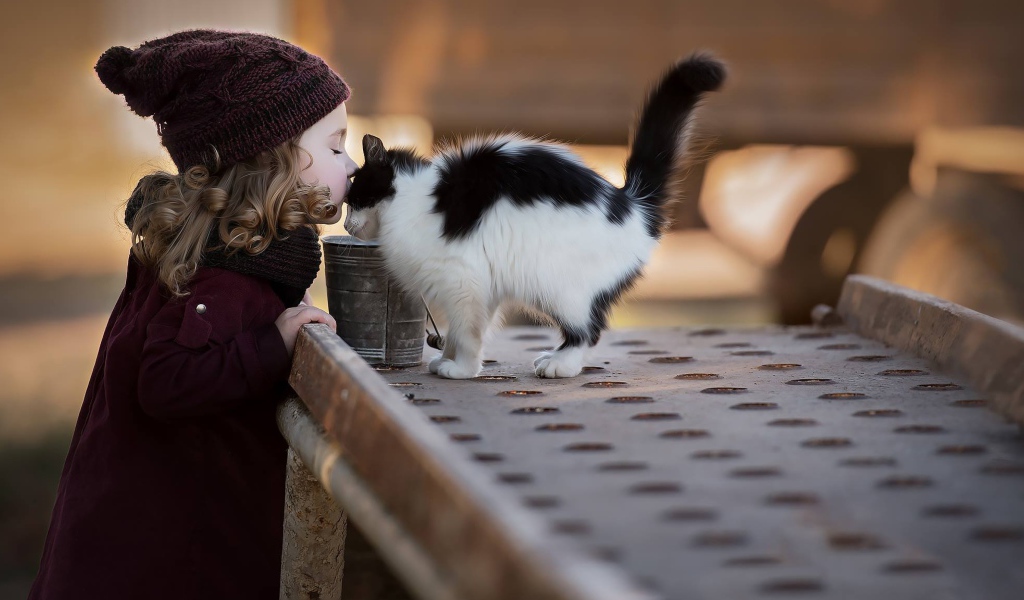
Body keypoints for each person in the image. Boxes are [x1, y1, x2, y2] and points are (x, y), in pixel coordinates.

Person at [29, 29, 359, 599]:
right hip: (168, 558)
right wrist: (272, 344)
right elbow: (166, 379)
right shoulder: (222, 272)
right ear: (270, 160)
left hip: (151, 536)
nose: (351, 165)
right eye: (335, 147)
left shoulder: (225, 254)